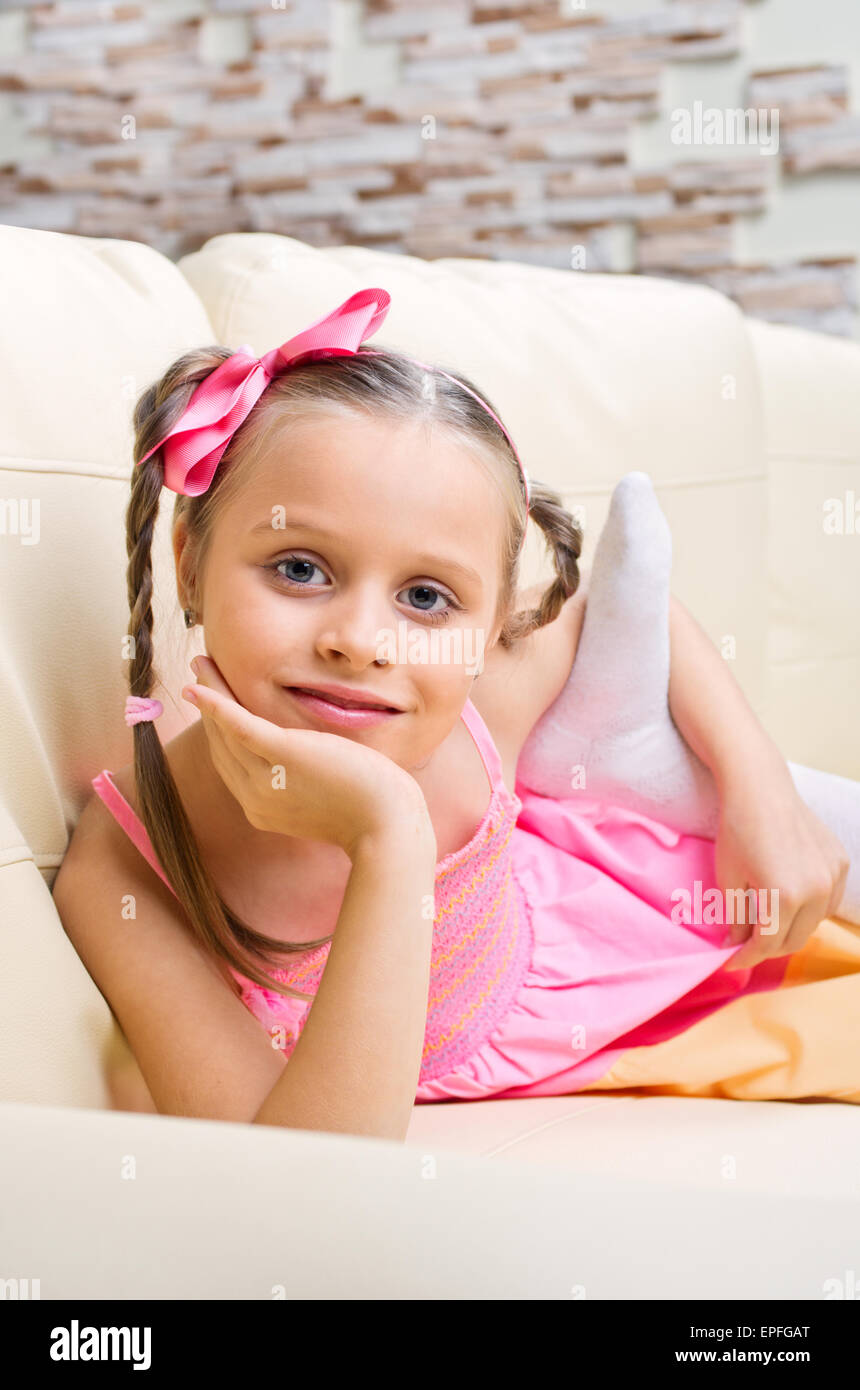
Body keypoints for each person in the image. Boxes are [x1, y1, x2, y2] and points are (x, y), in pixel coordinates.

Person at [53, 288, 858, 1140]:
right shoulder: (131, 869)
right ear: (190, 561)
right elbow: (310, 1177)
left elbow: (623, 609)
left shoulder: (474, 689)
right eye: (298, 569)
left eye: (427, 596)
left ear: (489, 623)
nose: (361, 642)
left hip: (636, 964)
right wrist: (386, 833)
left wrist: (758, 786)